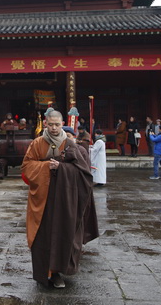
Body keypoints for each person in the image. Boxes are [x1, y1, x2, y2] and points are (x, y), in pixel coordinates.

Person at [22, 110, 99, 289]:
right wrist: (47, 166)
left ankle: (56, 273)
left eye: (58, 124)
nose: (54, 128)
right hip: (43, 198)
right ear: (45, 124)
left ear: (62, 123)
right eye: (51, 124)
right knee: (42, 235)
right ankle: (44, 272)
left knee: (61, 234)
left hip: (64, 198)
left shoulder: (71, 145)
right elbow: (27, 166)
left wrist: (62, 168)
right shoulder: (37, 143)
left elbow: (84, 173)